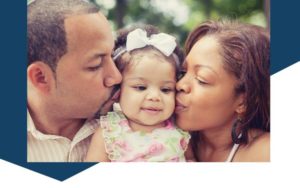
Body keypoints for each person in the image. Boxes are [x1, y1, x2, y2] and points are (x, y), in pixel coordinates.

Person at [27, 0, 122, 162]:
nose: (116, 77)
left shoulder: (137, 122)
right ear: (41, 77)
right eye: (96, 65)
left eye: (112, 55)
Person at [85, 26, 190, 162]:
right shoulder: (109, 131)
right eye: (141, 87)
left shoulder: (179, 130)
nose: (154, 97)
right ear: (118, 91)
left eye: (165, 89)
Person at [175, 20, 270, 162]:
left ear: (244, 101)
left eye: (201, 79)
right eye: (183, 72)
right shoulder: (163, 136)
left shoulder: (266, 153)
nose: (180, 85)